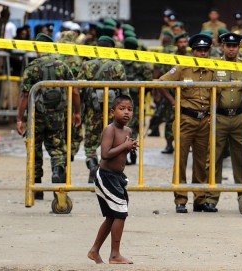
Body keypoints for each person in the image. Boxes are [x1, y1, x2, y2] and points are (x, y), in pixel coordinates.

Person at [16, 33, 81, 200]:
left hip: (35, 115)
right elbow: (74, 90)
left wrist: (19, 118)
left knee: (34, 147)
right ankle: (58, 171)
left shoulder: (32, 67)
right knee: (57, 147)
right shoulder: (62, 65)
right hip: (57, 115)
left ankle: (36, 187)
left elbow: (24, 95)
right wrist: (77, 112)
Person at [159, 33, 216, 213]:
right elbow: (161, 82)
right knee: (181, 159)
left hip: (204, 120)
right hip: (186, 118)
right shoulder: (182, 68)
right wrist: (174, 101)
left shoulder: (213, 70)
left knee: (201, 161)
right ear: (193, 52)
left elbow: (219, 93)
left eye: (206, 50)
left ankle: (200, 199)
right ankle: (181, 199)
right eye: (199, 50)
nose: (203, 54)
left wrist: (212, 112)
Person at [88, 95, 137, 265]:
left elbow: (123, 152)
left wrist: (131, 149)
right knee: (120, 214)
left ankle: (94, 251)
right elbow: (105, 154)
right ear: (112, 112)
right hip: (106, 177)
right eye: (122, 109)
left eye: (129, 109)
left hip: (117, 178)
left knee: (111, 216)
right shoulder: (110, 130)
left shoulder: (128, 131)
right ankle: (115, 255)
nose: (126, 112)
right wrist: (124, 146)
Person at [77, 36, 129, 183]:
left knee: (90, 142)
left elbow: (78, 89)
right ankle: (106, 173)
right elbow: (124, 91)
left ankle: (92, 164)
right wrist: (127, 111)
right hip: (113, 111)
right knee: (112, 141)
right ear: (112, 49)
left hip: (92, 110)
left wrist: (78, 110)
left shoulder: (87, 65)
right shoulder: (117, 66)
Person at [209, 32, 242, 207]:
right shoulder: (214, 64)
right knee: (214, 157)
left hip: (240, 116)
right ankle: (211, 198)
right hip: (220, 116)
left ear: (239, 46)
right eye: (228, 46)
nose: (231, 49)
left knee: (241, 158)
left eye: (234, 46)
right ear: (223, 47)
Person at [122, 36, 153, 164]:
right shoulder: (142, 63)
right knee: (134, 128)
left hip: (121, 101)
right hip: (136, 101)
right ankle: (133, 152)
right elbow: (149, 82)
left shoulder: (120, 61)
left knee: (121, 127)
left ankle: (123, 154)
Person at [58, 31, 84, 160]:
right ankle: (71, 153)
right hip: (74, 100)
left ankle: (61, 157)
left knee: (59, 130)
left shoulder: (56, 56)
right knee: (75, 129)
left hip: (57, 100)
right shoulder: (78, 59)